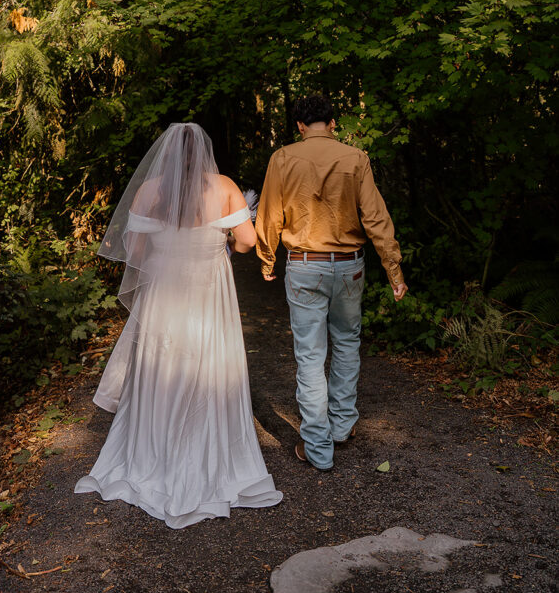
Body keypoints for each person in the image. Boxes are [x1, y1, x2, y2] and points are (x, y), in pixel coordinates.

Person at [75, 122, 282, 528]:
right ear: (204, 151)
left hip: (164, 291)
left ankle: (156, 453)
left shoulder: (150, 190)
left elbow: (134, 250)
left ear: (166, 153)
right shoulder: (223, 186)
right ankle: (209, 455)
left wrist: (167, 246)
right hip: (209, 289)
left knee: (162, 369)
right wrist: (216, 241)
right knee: (209, 364)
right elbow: (246, 241)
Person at [255, 94, 407, 472]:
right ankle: (341, 427)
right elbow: (376, 218)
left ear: (300, 127)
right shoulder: (356, 158)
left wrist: (266, 257)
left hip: (305, 265)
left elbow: (270, 214)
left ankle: (319, 449)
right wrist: (394, 270)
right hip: (350, 267)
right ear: (333, 123)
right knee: (347, 344)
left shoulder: (283, 158)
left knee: (309, 356)